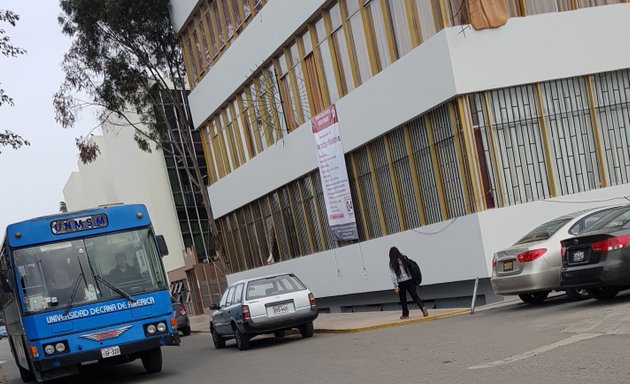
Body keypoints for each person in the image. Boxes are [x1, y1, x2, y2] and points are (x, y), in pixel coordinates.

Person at [389, 246, 428, 319]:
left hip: (401, 283)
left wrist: (396, 286)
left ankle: (405, 314)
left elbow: (393, 275)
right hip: (410, 280)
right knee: (415, 296)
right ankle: (422, 307)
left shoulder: (392, 263)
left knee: (403, 299)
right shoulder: (404, 258)